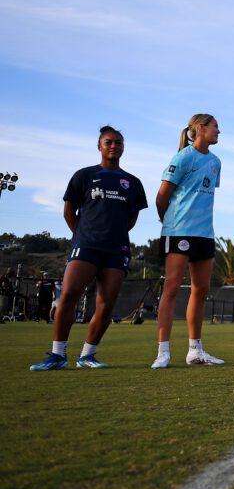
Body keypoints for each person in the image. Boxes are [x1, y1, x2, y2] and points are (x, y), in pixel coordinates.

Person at [30, 126, 147, 370]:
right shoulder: (84, 175)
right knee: (69, 296)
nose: (113, 146)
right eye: (108, 142)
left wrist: (113, 235)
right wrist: (83, 236)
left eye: (118, 142)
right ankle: (58, 355)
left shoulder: (133, 182)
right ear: (99, 146)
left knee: (107, 303)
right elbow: (68, 211)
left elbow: (131, 219)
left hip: (116, 250)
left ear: (123, 147)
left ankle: (87, 356)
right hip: (86, 246)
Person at [152, 114, 224, 368]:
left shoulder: (215, 162)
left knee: (201, 290)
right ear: (200, 128)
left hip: (204, 233)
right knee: (171, 289)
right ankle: (163, 352)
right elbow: (161, 197)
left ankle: (195, 351)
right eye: (215, 126)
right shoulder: (183, 157)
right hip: (179, 231)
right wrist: (168, 223)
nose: (219, 131)